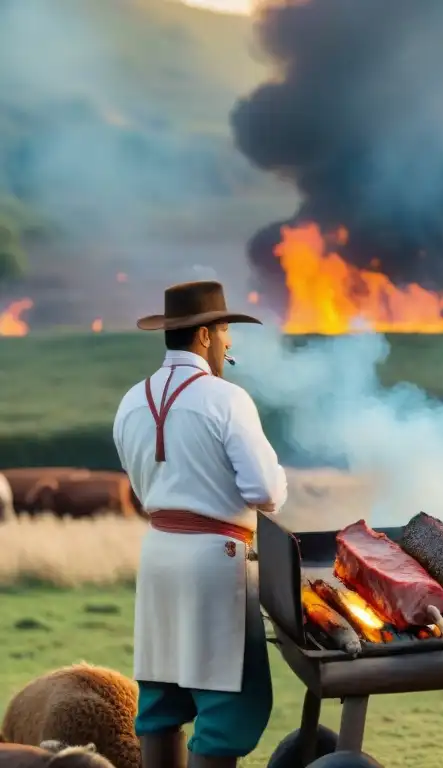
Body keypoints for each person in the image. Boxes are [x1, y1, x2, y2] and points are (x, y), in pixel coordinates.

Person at [113, 280, 288, 768]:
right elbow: (266, 494)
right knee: (227, 706)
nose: (230, 341)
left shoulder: (129, 401)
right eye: (227, 329)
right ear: (206, 335)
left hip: (158, 554)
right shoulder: (227, 399)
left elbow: (140, 480)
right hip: (218, 561)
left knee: (161, 701)